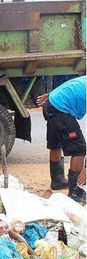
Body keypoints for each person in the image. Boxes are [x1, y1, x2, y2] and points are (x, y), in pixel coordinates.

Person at [36, 75, 86, 203]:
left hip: (51, 103)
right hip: (60, 110)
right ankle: (76, 193)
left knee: (56, 144)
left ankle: (57, 181)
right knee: (79, 150)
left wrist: (52, 94)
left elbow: (71, 84)